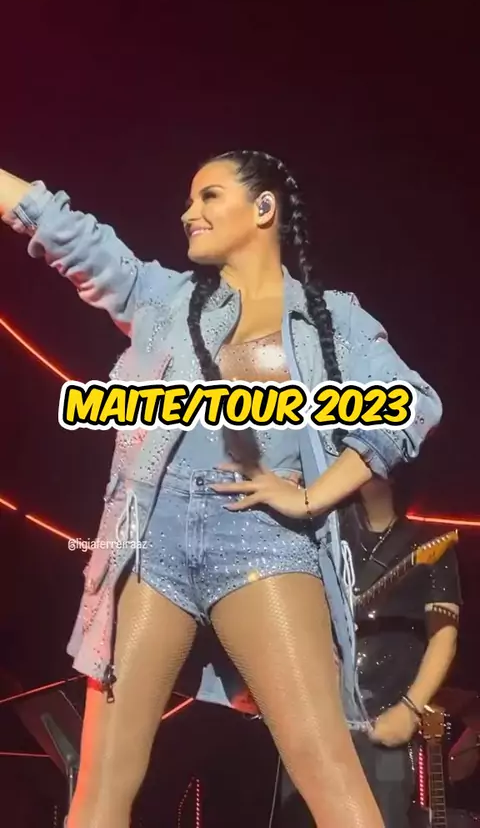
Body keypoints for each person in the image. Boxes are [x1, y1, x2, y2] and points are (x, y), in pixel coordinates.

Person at [0, 151, 442, 828]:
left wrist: (312, 495)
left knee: (331, 777)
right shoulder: (163, 297)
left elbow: (413, 404)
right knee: (99, 788)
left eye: (208, 196)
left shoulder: (328, 319)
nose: (189, 213)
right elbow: (65, 231)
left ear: (264, 208)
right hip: (149, 545)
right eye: (188, 200)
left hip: (262, 543)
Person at [272, 473, 461, 828]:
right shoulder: (324, 533)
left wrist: (410, 709)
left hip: (385, 722)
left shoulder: (428, 544)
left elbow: (444, 637)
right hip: (316, 716)